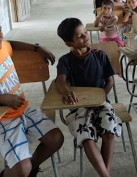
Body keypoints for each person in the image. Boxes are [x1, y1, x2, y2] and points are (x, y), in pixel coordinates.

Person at [56, 18, 122, 177]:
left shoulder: (100, 55)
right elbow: (60, 80)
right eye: (80, 36)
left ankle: (104, 174)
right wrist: (66, 92)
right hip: (78, 106)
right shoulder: (65, 61)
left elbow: (110, 81)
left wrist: (100, 97)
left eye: (85, 32)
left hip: (102, 103)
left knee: (109, 130)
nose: (86, 36)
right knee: (86, 135)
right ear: (69, 43)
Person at [0, 25, 64, 177]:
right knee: (22, 169)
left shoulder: (3, 46)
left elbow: (11, 43)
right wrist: (2, 98)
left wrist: (37, 48)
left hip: (23, 110)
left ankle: (30, 169)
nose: (0, 34)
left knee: (56, 138)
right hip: (4, 120)